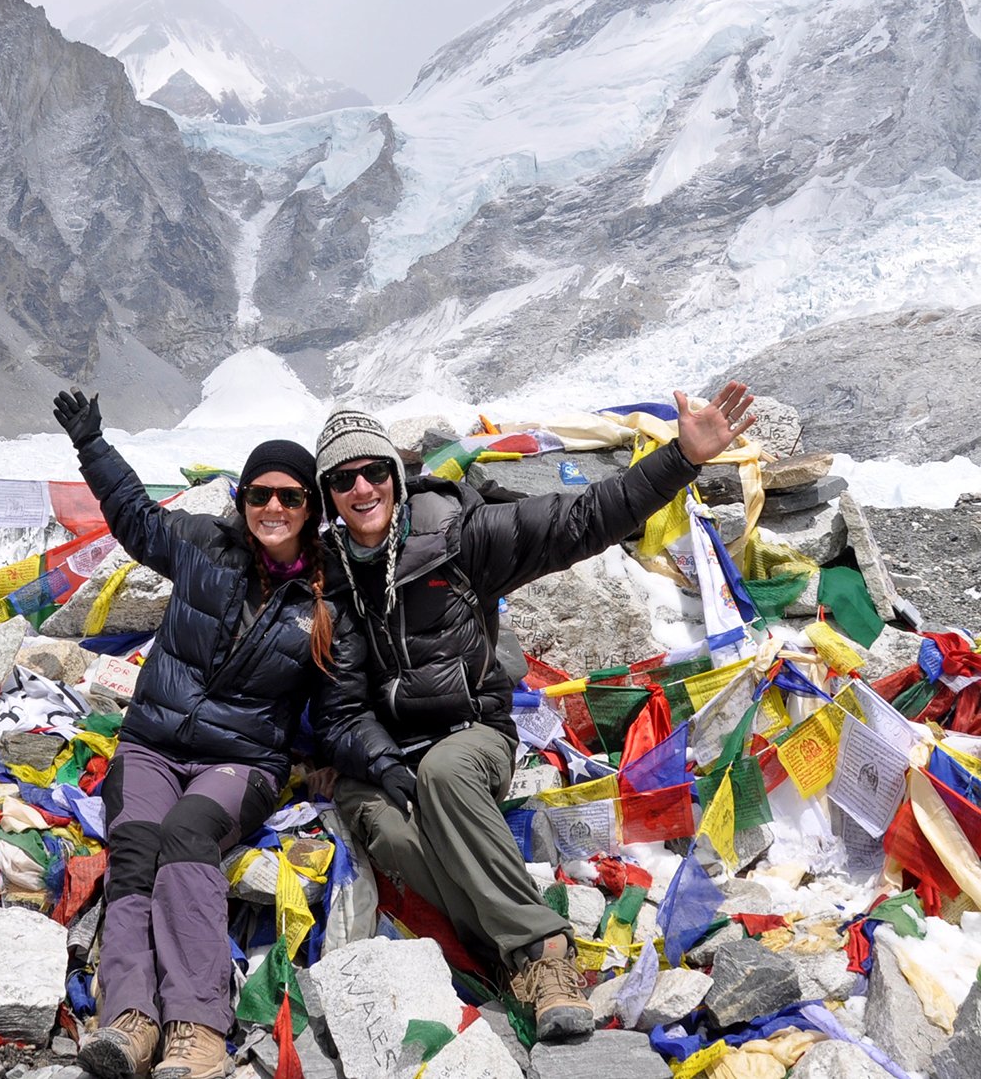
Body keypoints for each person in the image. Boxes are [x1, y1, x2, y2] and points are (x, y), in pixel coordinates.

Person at [313, 384, 756, 1040]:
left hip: (469, 732)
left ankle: (547, 955)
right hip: (380, 753)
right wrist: (377, 760)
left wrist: (681, 458)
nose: (362, 488)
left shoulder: (459, 536)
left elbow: (579, 519)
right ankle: (505, 954)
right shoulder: (326, 576)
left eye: (374, 469)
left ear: (394, 474)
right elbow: (338, 702)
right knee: (390, 830)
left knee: (444, 773)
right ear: (328, 495)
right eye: (342, 478)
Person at [55, 389, 342, 1079]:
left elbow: (342, 701)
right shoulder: (202, 547)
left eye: (290, 496)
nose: (273, 507)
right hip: (152, 741)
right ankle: (129, 1021)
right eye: (258, 493)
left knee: (185, 837)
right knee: (135, 846)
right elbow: (133, 517)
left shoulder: (330, 599)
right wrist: (91, 443)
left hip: (240, 761)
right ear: (242, 500)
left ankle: (198, 1024)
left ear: (311, 510)